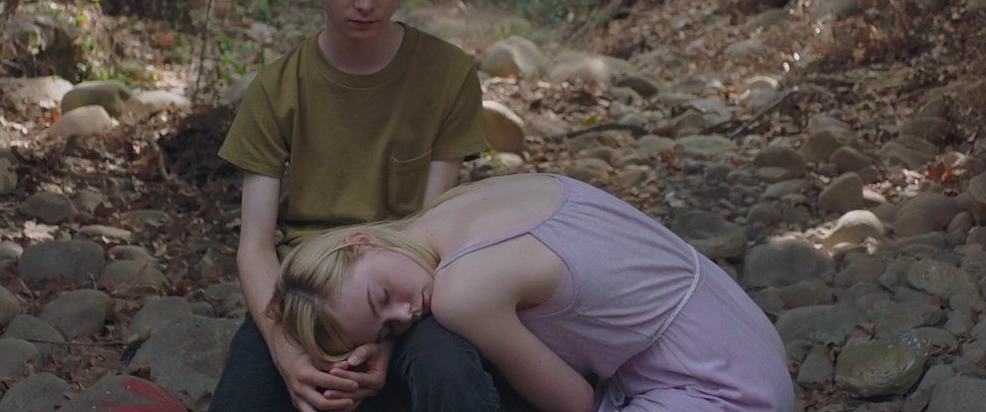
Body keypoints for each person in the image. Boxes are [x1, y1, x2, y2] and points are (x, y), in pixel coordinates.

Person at [209, 0, 497, 412]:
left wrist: (384, 339)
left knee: (450, 380)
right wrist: (287, 354)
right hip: (306, 292)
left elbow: (431, 233)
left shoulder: (448, 75)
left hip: (411, 287)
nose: (366, 2)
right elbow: (256, 246)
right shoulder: (276, 88)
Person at [272, 173, 796, 412]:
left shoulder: (462, 292)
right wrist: (383, 346)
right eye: (389, 328)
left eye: (383, 295)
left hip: (719, 387)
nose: (408, 312)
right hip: (739, 326)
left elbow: (578, 404)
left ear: (361, 241)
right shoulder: (467, 202)